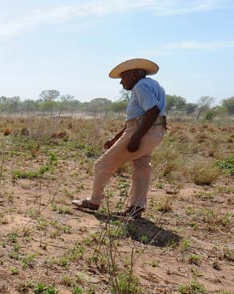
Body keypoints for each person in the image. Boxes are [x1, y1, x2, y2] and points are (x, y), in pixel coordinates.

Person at [72, 58, 167, 219]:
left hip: (143, 130)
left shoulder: (140, 86)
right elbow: (143, 115)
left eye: (123, 77)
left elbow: (152, 111)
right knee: (142, 167)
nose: (121, 82)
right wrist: (116, 138)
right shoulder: (155, 85)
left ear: (135, 74)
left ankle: (94, 201)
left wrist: (136, 138)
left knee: (102, 164)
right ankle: (136, 208)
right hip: (156, 131)